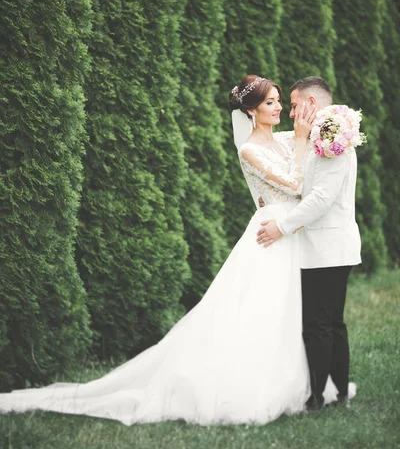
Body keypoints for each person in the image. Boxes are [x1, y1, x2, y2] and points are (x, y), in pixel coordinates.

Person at [0, 75, 349, 426]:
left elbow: (311, 161)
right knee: (262, 312)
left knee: (296, 315)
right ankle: (248, 388)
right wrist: (303, 139)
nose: (280, 109)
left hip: (296, 234)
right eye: (271, 102)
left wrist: (333, 131)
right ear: (250, 110)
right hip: (270, 233)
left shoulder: (288, 140)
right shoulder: (250, 149)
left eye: (279, 101)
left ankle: (306, 385)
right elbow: (293, 182)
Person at [256, 76, 361, 410]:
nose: (290, 112)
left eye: (295, 104)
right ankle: (338, 392)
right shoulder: (326, 130)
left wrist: (281, 227)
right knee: (330, 322)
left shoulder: (331, 134)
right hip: (327, 246)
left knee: (319, 324)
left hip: (328, 247)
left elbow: (321, 199)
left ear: (312, 104)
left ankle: (318, 397)